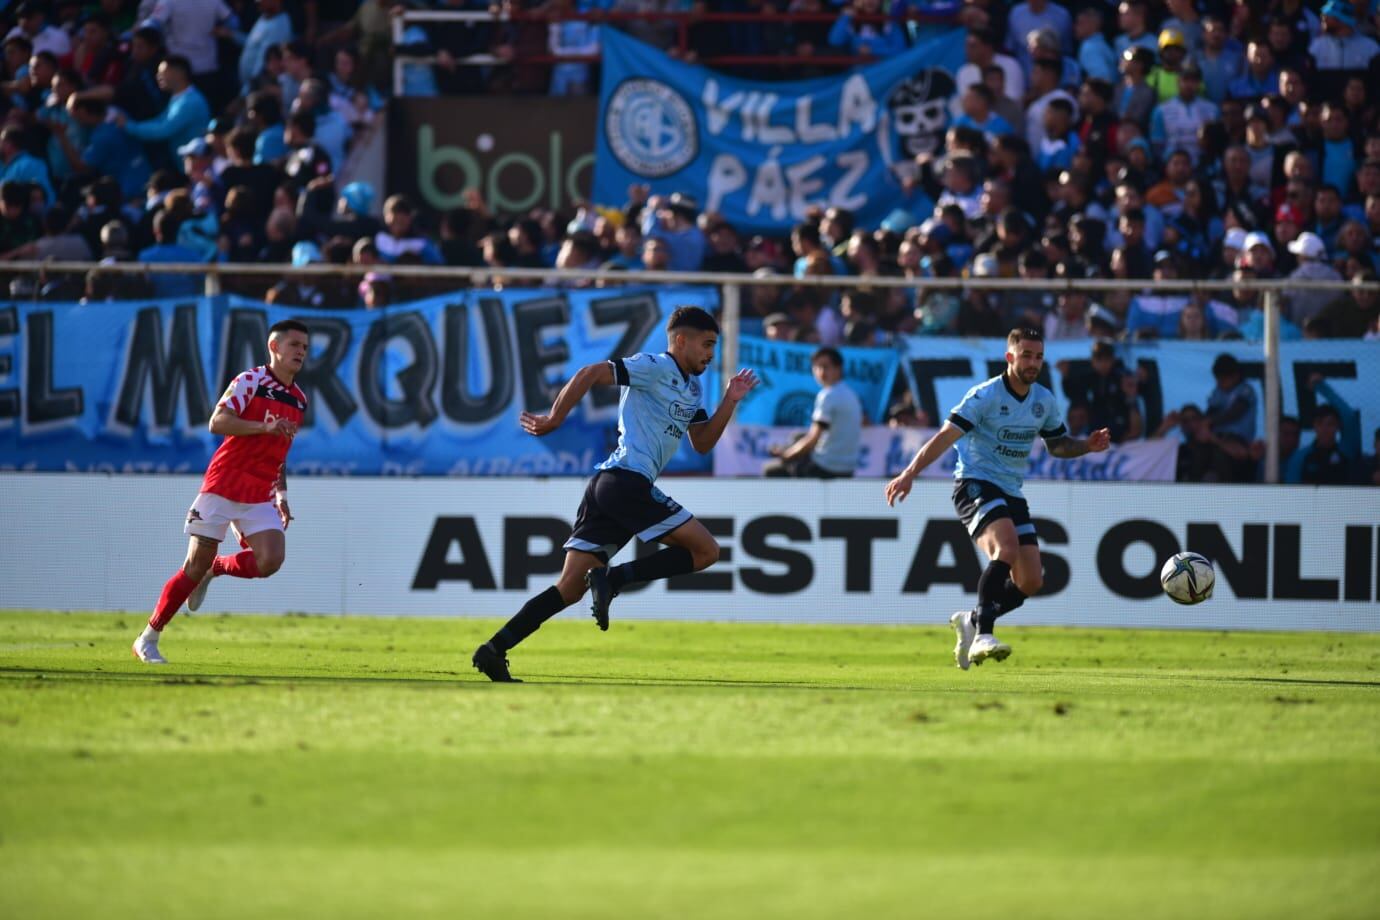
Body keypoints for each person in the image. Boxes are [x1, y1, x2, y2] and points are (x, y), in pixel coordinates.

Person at [471, 307, 759, 682]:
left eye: (714, 347)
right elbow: (590, 373)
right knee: (706, 551)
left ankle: (494, 650)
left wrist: (731, 400)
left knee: (570, 588)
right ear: (680, 340)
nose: (710, 354)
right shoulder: (654, 365)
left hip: (609, 488)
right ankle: (614, 579)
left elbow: (702, 443)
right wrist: (555, 418)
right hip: (626, 482)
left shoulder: (692, 388)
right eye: (706, 344)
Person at [884, 328, 1110, 669]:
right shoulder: (985, 396)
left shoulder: (1043, 401)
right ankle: (983, 635)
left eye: (1038, 357)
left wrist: (1086, 446)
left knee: (1031, 580)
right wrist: (910, 472)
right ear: (1010, 357)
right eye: (1026, 355)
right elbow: (946, 435)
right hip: (974, 482)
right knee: (1006, 548)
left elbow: (1058, 445)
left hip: (1010, 490)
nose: (1033, 363)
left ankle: (972, 620)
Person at [132, 320, 311, 664]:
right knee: (192, 567)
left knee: (271, 560)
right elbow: (217, 422)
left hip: (259, 492)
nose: (300, 351)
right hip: (224, 484)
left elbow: (280, 451)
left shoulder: (298, 399)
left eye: (304, 346)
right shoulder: (250, 381)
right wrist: (263, 426)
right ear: (274, 347)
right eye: (294, 345)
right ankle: (148, 637)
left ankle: (218, 568)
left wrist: (282, 495)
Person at [763, 347, 863, 478]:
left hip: (826, 467)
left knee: (770, 470)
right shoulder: (851, 394)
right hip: (848, 468)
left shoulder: (828, 395)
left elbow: (813, 438)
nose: (821, 372)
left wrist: (786, 456)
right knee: (797, 437)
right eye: (816, 367)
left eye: (826, 367)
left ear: (839, 368)